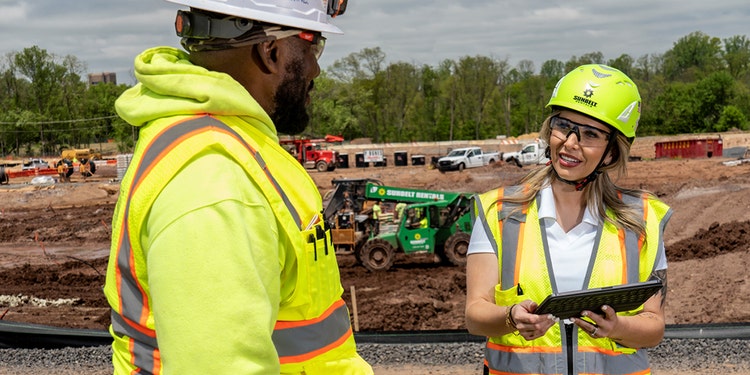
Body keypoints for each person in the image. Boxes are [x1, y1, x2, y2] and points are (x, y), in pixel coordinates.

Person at [102, 1, 372, 374]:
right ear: (270, 51)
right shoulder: (214, 184)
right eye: (312, 47)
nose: (316, 68)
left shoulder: (231, 147)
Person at [465, 64, 672, 375]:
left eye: (590, 134)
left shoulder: (641, 220)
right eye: (564, 126)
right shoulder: (499, 211)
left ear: (612, 152)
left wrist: (617, 326)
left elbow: (654, 326)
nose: (570, 143)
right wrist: (510, 317)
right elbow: (474, 314)